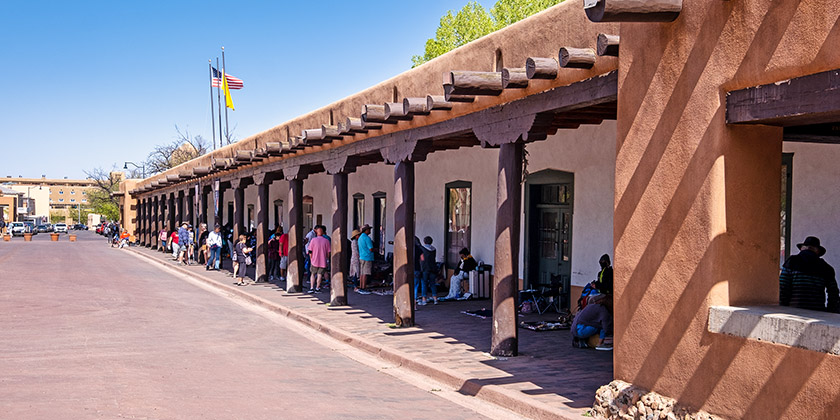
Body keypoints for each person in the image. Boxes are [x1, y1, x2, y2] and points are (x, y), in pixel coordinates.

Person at [780, 236, 840, 313]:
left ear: (802, 248)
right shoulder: (826, 268)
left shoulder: (791, 262)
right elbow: (833, 293)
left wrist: (783, 308)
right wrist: (830, 312)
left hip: (794, 310)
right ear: (817, 251)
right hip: (817, 311)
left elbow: (783, 287)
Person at [307, 225, 331, 293]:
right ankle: (317, 288)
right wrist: (327, 258)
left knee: (313, 274)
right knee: (319, 275)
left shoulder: (313, 240)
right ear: (323, 232)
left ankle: (311, 287)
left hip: (314, 260)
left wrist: (311, 258)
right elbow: (328, 252)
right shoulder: (326, 241)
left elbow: (310, 251)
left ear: (317, 232)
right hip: (323, 260)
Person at [418, 236, 438, 305]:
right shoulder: (434, 249)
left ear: (424, 241)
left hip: (425, 268)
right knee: (433, 284)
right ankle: (435, 299)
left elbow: (421, 259)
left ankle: (424, 299)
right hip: (433, 268)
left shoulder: (422, 249)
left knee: (424, 284)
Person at [357, 224, 375, 290]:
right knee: (365, 273)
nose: (370, 231)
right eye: (369, 229)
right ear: (366, 230)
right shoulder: (367, 238)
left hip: (361, 256)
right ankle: (364, 287)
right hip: (367, 257)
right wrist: (375, 249)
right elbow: (371, 248)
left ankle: (361, 286)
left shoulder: (360, 237)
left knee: (362, 273)